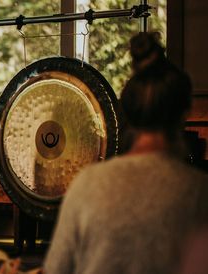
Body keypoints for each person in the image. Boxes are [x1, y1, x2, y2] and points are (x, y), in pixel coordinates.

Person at [43, 32, 208, 274]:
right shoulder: (200, 191)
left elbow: (56, 270)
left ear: (128, 114)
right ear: (182, 115)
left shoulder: (87, 184)